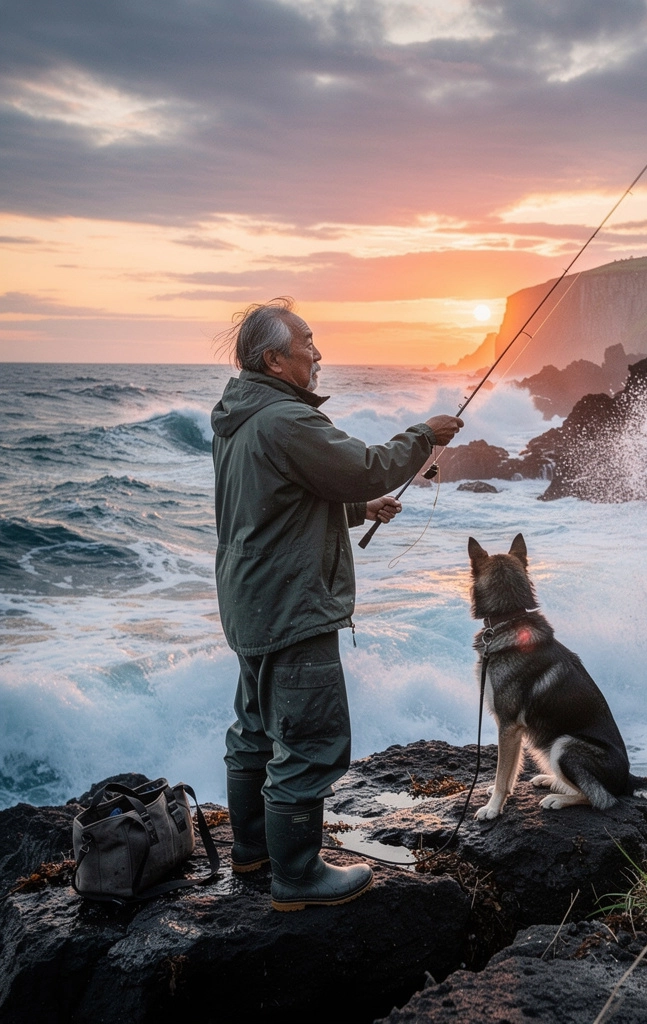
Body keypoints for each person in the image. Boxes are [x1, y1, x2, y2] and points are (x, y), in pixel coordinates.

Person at [210, 297, 462, 911]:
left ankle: (252, 853)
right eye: (308, 343)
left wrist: (359, 511)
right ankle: (296, 878)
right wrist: (424, 436)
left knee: (256, 734)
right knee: (313, 740)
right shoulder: (287, 421)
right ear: (274, 358)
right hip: (294, 607)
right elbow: (365, 467)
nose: (318, 353)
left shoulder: (242, 417)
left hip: (251, 602)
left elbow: (278, 500)